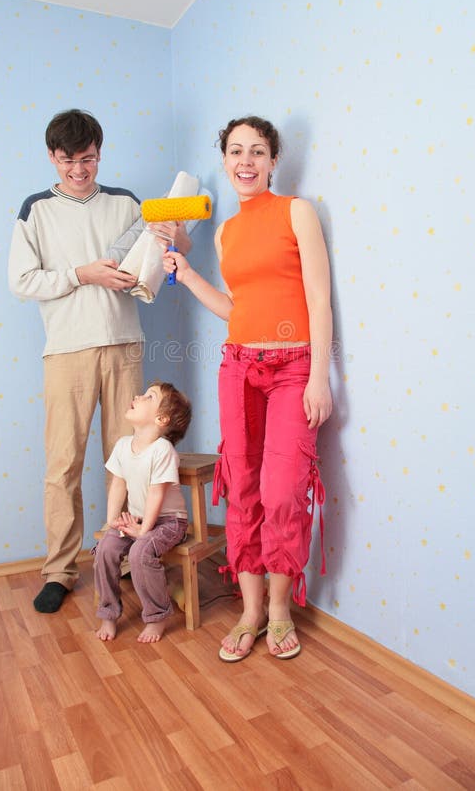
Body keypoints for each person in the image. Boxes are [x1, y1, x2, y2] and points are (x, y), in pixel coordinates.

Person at [163, 115, 332, 662]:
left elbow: (318, 300)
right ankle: (251, 610)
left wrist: (318, 376)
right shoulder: (225, 231)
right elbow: (236, 309)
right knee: (244, 489)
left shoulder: (296, 212)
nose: (246, 162)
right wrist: (187, 275)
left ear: (273, 160)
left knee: (283, 491)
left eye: (257, 151)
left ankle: (281, 611)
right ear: (225, 160)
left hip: (292, 369)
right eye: (236, 151)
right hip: (239, 367)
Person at [8, 108, 191, 613]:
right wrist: (83, 273)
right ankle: (60, 571)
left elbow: (152, 260)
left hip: (123, 343)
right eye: (68, 161)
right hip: (66, 349)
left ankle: (131, 556)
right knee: (62, 464)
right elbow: (22, 281)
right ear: (52, 157)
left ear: (99, 154)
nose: (79, 171)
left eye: (87, 159)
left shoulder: (127, 204)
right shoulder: (35, 210)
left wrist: (148, 269)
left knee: (132, 463)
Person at [94, 382, 192, 642]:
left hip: (169, 522)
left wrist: (143, 531)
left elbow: (157, 493)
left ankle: (158, 616)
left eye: (149, 396)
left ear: (161, 419)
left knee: (140, 551)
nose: (138, 395)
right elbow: (118, 484)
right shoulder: (124, 445)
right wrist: (111, 524)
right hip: (139, 518)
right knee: (106, 548)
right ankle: (108, 612)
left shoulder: (163, 450)